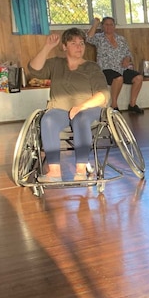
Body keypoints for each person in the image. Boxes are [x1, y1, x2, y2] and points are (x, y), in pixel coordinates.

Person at [28, 28, 110, 182]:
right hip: (60, 109)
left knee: (80, 118)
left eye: (81, 43)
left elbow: (103, 95)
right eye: (74, 43)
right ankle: (54, 172)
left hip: (88, 109)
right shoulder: (56, 64)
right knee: (48, 119)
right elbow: (34, 69)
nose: (79, 47)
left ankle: (80, 171)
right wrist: (47, 47)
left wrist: (81, 107)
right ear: (64, 47)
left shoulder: (91, 67)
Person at [86, 16, 145, 113]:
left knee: (138, 78)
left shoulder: (121, 39)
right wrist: (95, 24)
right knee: (118, 78)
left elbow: (128, 53)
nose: (109, 27)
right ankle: (114, 105)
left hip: (121, 68)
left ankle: (132, 104)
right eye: (106, 24)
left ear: (114, 26)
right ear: (102, 26)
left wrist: (127, 59)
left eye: (111, 24)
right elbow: (88, 38)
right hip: (106, 69)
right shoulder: (99, 38)